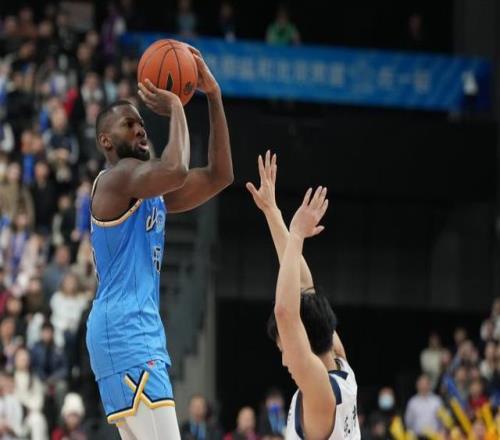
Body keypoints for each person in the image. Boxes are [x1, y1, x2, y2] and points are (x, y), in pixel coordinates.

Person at [86, 46, 232, 440]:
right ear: (106, 141)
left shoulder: (152, 193)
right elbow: (176, 167)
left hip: (134, 331)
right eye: (128, 124)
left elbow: (219, 175)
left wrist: (214, 96)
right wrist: (177, 106)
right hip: (126, 331)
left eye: (140, 122)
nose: (140, 128)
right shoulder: (115, 180)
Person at [247, 151, 360, 439]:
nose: (285, 360)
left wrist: (297, 235)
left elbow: (286, 313)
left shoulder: (321, 393)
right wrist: (272, 212)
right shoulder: (340, 364)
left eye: (285, 349)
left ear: (301, 342)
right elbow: (303, 288)